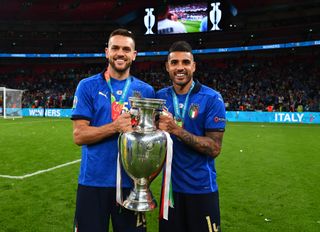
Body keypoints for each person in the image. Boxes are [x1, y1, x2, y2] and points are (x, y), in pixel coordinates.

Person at [71, 28, 155, 232]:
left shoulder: (146, 91)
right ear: (106, 52)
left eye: (126, 49)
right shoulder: (87, 86)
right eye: (115, 48)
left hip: (131, 186)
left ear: (134, 55)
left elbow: (151, 144)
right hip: (93, 183)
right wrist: (115, 127)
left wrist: (146, 181)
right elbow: (79, 135)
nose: (120, 53)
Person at [156, 41, 226, 232]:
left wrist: (176, 129)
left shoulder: (212, 98)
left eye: (186, 62)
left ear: (193, 66)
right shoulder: (160, 97)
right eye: (175, 62)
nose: (180, 67)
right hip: (170, 193)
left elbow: (214, 148)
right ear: (167, 67)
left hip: (201, 190)